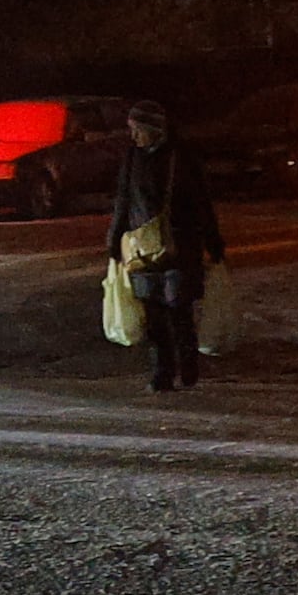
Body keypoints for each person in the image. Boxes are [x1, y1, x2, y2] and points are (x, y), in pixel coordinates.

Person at [103, 100, 226, 391]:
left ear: (153, 130)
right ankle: (163, 371)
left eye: (137, 130)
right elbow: (124, 200)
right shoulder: (133, 158)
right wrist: (115, 241)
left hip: (180, 246)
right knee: (154, 314)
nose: (133, 136)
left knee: (178, 309)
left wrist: (212, 240)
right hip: (143, 249)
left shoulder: (180, 158)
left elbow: (201, 203)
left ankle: (186, 365)